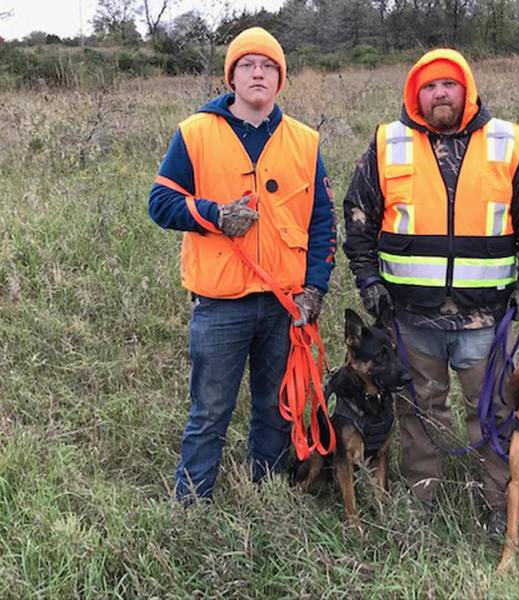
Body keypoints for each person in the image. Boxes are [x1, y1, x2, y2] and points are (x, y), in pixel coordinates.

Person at [342, 49, 519, 530]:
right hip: (411, 316)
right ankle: (422, 504)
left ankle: (499, 507)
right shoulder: (386, 143)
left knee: (496, 411)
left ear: (467, 90)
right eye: (431, 86)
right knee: (418, 413)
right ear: (417, 94)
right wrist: (368, 279)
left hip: (486, 318)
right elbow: (358, 215)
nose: (440, 93)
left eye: (449, 85)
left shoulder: (508, 141)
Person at [149, 27, 336, 502]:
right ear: (232, 77)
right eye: (248, 65)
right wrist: (214, 215)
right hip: (219, 305)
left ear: (281, 79)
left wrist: (314, 290)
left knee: (277, 410)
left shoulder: (305, 142)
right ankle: (191, 506)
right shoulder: (195, 133)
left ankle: (267, 496)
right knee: (210, 412)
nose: (259, 73)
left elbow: (322, 224)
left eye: (269, 66)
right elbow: (160, 202)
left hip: (284, 305)